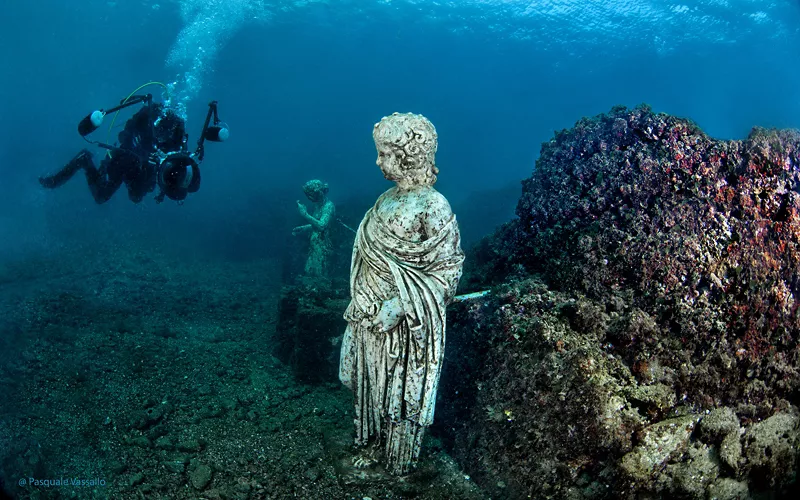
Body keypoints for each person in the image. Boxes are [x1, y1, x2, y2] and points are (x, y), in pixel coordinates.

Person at [338, 112, 465, 475]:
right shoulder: (386, 199)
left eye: (384, 154)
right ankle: (371, 444)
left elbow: (448, 271)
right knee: (362, 381)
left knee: (396, 392)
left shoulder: (433, 205)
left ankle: (396, 462)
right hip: (367, 312)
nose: (378, 161)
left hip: (404, 324)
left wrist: (400, 305)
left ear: (410, 155)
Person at [39, 102, 200, 204]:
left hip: (145, 168)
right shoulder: (150, 114)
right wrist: (138, 152)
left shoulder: (178, 137)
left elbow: (177, 165)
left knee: (136, 197)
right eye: (161, 130)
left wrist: (164, 189)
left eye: (167, 132)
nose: (163, 134)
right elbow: (126, 132)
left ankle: (81, 167)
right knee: (101, 195)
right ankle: (83, 160)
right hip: (127, 158)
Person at [292, 179, 335, 278]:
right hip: (316, 244)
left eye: (312, 194)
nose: (310, 198)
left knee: (320, 275)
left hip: (324, 246)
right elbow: (316, 223)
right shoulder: (318, 205)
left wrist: (305, 214)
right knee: (310, 272)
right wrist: (304, 228)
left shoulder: (328, 206)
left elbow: (322, 226)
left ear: (319, 193)